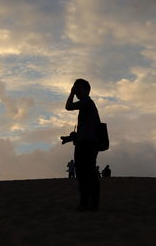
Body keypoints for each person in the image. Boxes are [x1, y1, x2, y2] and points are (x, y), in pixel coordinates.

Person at [65, 79, 102, 211]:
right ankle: (87, 203)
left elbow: (68, 106)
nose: (76, 92)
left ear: (86, 90)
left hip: (89, 144)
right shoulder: (86, 105)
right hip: (84, 143)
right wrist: (73, 137)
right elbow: (86, 129)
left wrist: (71, 93)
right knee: (83, 173)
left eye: (78, 89)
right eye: (75, 88)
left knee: (88, 173)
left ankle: (91, 203)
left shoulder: (87, 102)